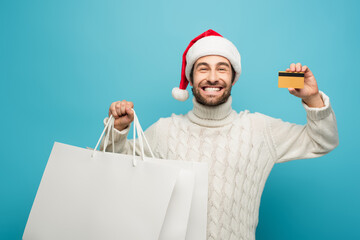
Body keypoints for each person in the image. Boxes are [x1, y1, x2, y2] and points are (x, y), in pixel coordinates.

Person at [100, 29, 339, 240]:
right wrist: (118, 129)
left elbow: (323, 141)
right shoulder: (165, 131)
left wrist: (312, 97)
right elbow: (112, 168)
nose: (212, 77)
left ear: (233, 78)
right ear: (190, 79)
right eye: (203, 69)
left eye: (222, 69)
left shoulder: (259, 130)